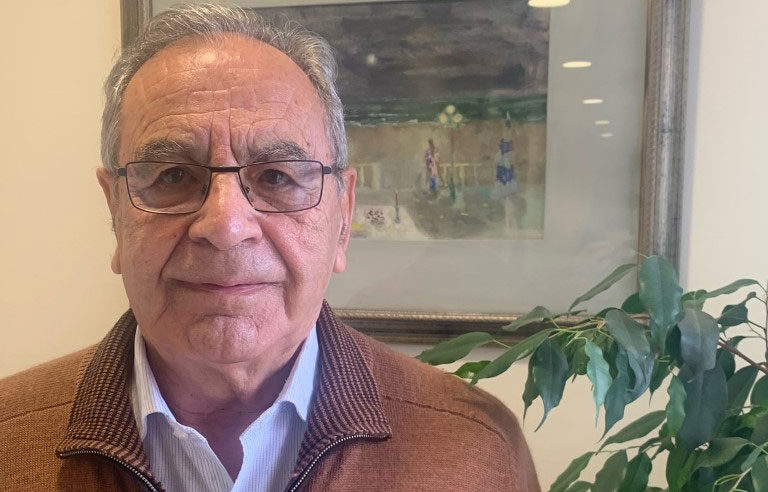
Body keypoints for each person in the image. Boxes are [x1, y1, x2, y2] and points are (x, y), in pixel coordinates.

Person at [0, 5, 539, 491]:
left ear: (343, 215)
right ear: (115, 210)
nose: (226, 226)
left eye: (278, 176)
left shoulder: (475, 449)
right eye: (172, 176)